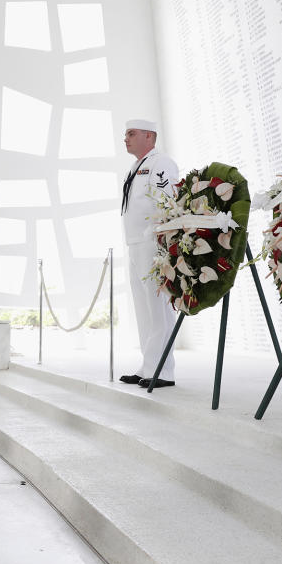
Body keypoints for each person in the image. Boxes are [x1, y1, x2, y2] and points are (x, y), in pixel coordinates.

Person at [118, 119, 180, 389]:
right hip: (135, 244)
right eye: (126, 134)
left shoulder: (161, 163)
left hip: (152, 243)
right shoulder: (136, 167)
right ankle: (148, 364)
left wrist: (161, 239)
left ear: (149, 136)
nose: (126, 139)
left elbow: (166, 202)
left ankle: (164, 369)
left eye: (131, 134)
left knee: (158, 308)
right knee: (143, 309)